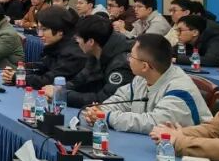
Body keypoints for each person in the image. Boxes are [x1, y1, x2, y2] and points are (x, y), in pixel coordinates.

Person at [80, 34, 209, 135]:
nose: (128, 59)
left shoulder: (180, 89)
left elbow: (153, 123)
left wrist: (107, 117)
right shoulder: (142, 78)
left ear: (145, 66)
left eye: (131, 56)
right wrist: (99, 111)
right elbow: (120, 100)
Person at [6, 6, 86, 89]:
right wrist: (21, 69)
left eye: (44, 29)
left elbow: (48, 80)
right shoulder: (55, 47)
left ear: (60, 31)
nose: (39, 34)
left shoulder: (73, 54)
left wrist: (19, 77)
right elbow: (43, 67)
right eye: (38, 29)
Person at [61, 14, 132, 108]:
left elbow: (104, 100)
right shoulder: (97, 51)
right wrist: (60, 89)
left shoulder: (121, 65)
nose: (76, 41)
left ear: (91, 42)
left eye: (78, 38)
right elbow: (80, 79)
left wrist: (63, 96)